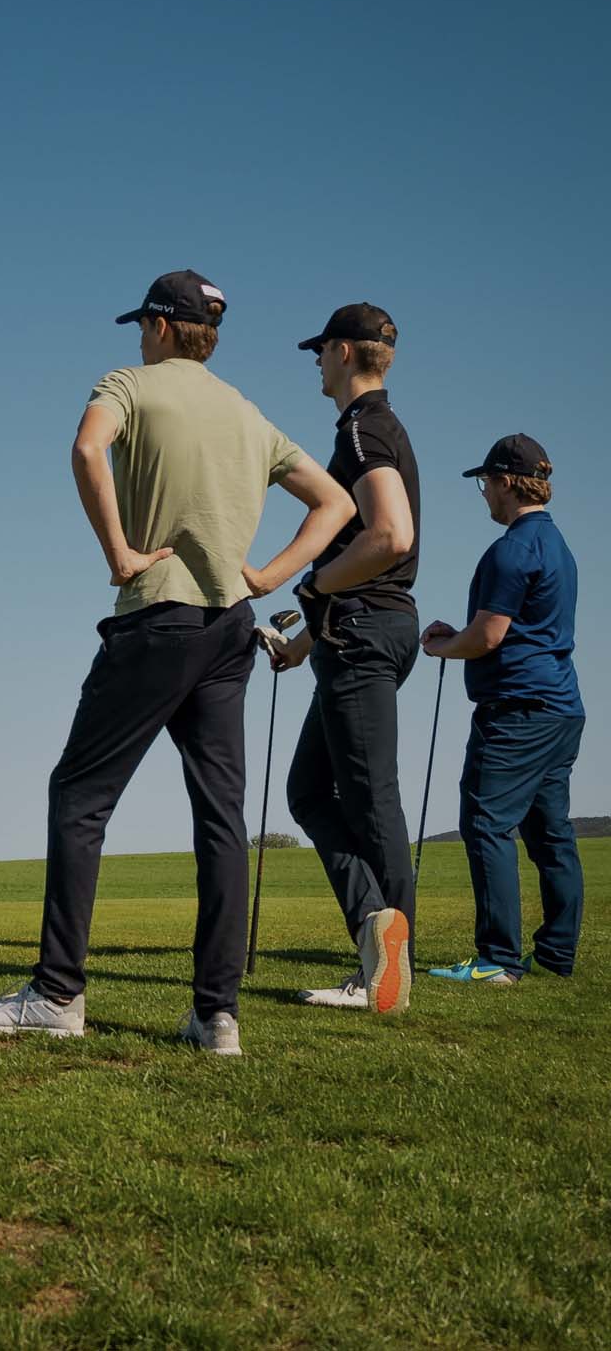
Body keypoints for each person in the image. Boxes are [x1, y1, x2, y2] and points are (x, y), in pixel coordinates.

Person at [0, 271, 354, 1054]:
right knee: (222, 820)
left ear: (166, 328)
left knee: (79, 796)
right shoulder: (247, 413)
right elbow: (337, 503)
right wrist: (270, 577)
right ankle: (217, 1016)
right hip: (229, 631)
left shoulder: (129, 385)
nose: (138, 336)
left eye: (144, 323)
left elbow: (86, 447)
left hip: (158, 619)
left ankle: (57, 995)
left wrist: (117, 550)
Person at [267, 303, 420, 1015]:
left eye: (320, 350)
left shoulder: (363, 429)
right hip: (356, 633)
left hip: (362, 632)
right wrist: (300, 643)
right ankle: (376, 934)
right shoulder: (373, 427)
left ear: (345, 351)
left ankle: (390, 971)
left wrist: (315, 584)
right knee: (308, 792)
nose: (315, 362)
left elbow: (390, 537)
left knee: (370, 800)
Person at [420, 436, 584, 985]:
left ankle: (497, 961)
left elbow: (489, 637)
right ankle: (557, 956)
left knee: (486, 824)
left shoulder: (511, 549)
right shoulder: (557, 545)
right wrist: (459, 634)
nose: (484, 493)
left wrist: (442, 644)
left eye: (485, 483)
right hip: (561, 707)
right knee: (550, 833)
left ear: (507, 482)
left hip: (517, 708)